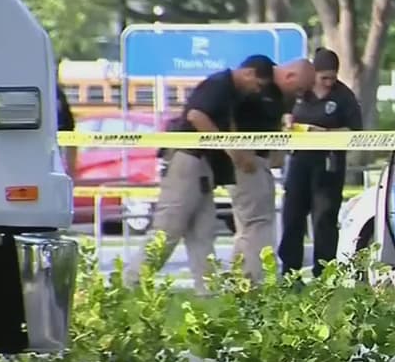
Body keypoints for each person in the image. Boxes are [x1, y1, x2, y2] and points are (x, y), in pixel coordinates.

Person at [124, 56, 276, 291]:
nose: (257, 90)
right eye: (257, 84)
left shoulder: (231, 92)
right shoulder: (218, 85)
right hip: (188, 160)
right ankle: (130, 283)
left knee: (202, 232)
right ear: (248, 73)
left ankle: (208, 292)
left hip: (202, 165)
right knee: (168, 228)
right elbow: (197, 115)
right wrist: (229, 149)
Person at [228, 57, 316, 282]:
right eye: (298, 89)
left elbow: (276, 125)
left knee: (256, 222)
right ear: (289, 77)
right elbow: (228, 118)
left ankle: (243, 279)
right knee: (256, 223)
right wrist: (239, 154)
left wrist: (276, 152)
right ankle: (251, 279)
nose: (298, 96)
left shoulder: (282, 97)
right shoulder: (258, 77)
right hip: (246, 161)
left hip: (262, 162)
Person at [277, 48, 362, 277]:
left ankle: (324, 274)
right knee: (292, 217)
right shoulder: (299, 93)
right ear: (313, 73)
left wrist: (325, 132)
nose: (328, 83)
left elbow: (356, 131)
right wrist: (286, 121)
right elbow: (281, 114)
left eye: (332, 78)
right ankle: (289, 274)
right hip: (299, 161)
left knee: (324, 219)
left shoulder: (343, 96)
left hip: (328, 163)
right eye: (324, 78)